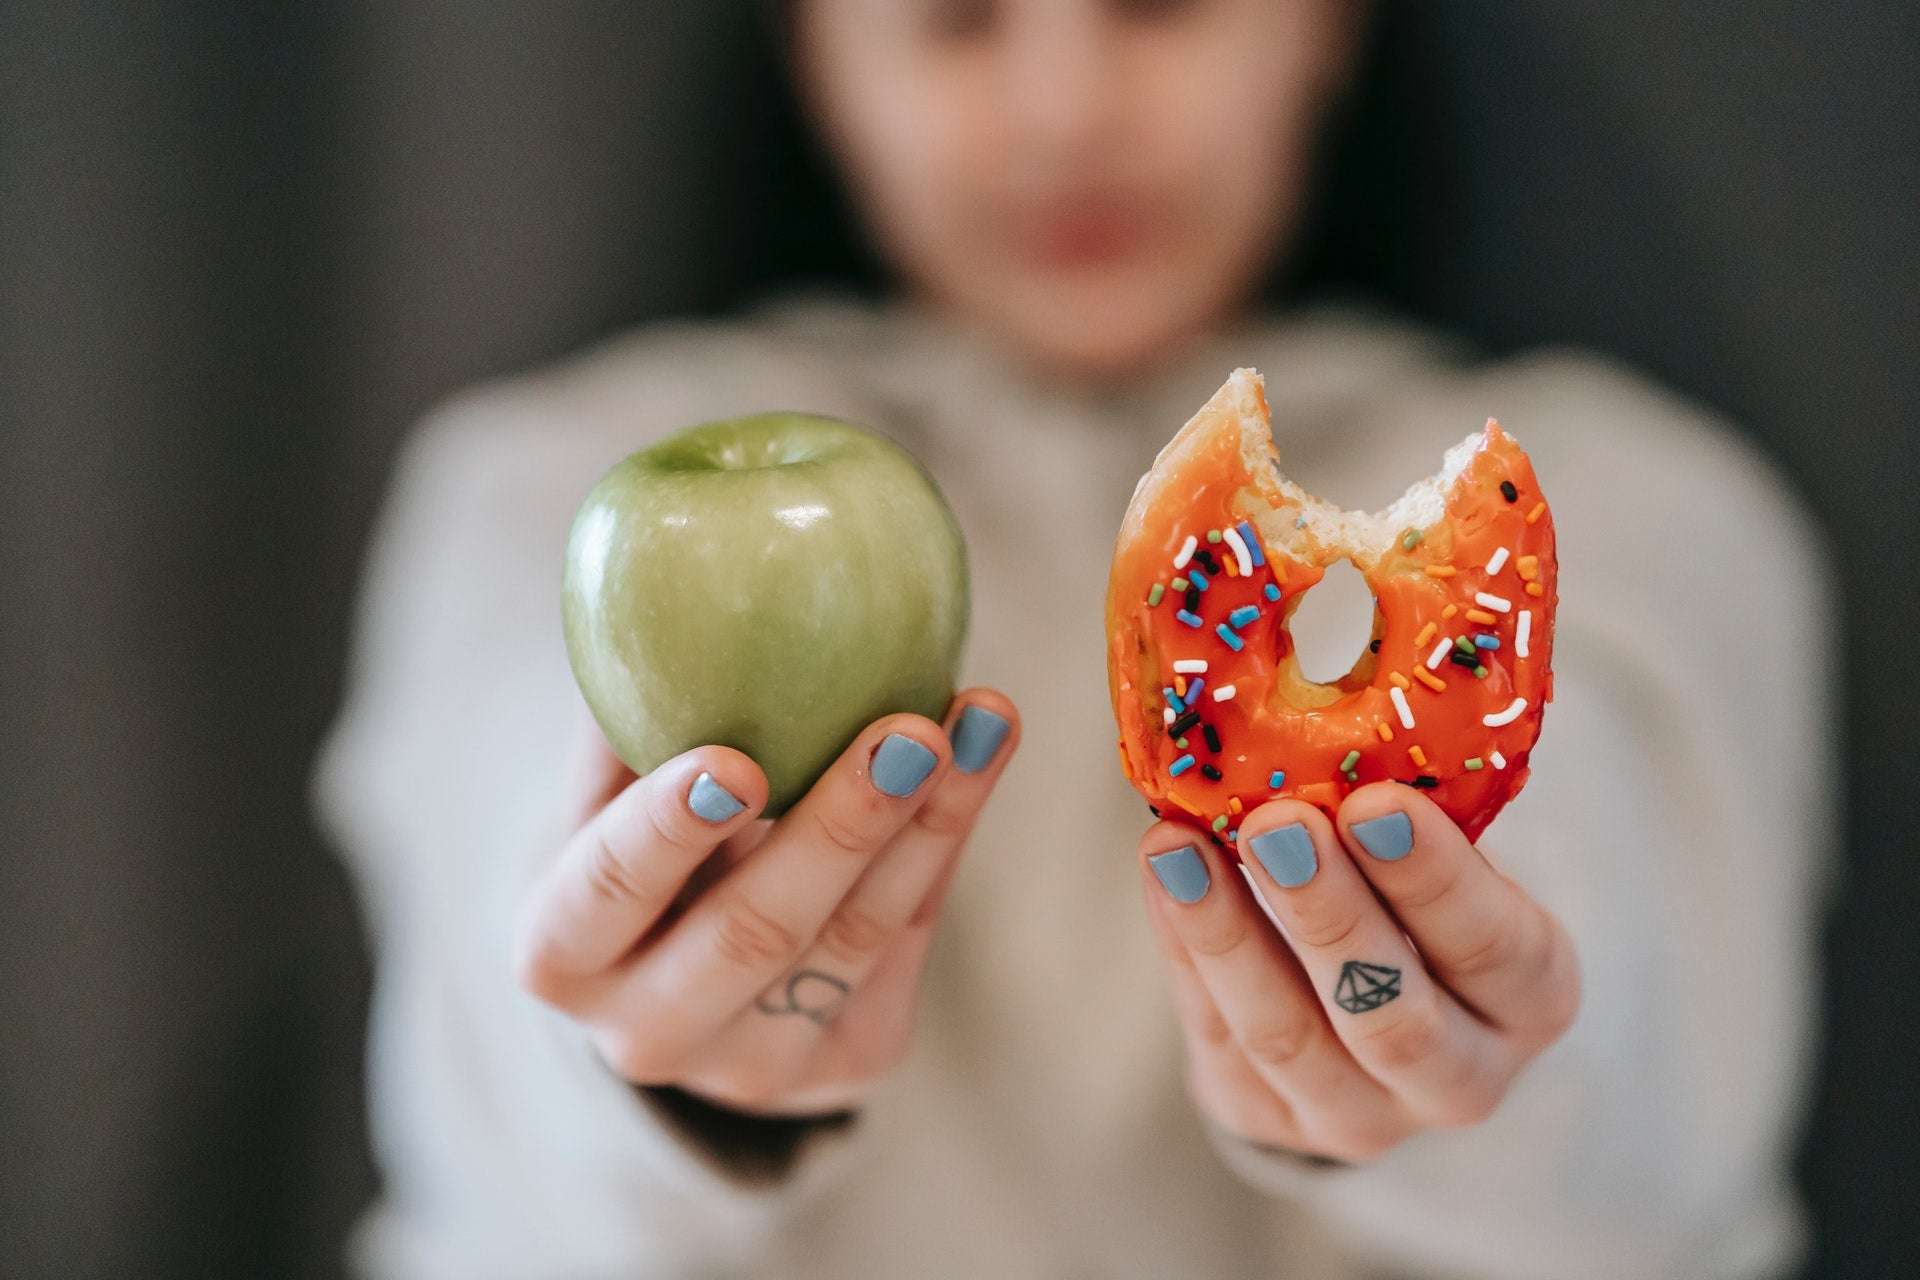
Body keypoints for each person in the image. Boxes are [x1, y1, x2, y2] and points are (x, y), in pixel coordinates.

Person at [315, 1, 1834, 1276]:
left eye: (1160, 1)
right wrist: (653, 1068)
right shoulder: (532, 486)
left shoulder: (1645, 502)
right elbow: (482, 1061)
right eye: (954, 16)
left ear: (1329, 24)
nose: (1064, 110)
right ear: (812, 47)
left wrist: (1482, 1049)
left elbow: (1652, 1048)